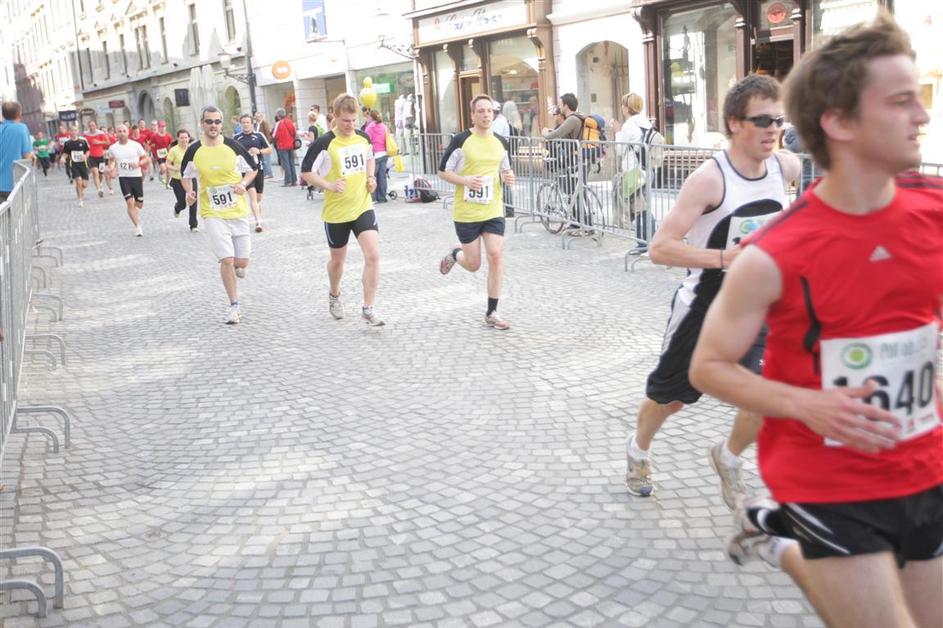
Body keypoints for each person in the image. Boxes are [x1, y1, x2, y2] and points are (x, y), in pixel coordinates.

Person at [689, 13, 941, 628]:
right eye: (901, 101)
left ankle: (776, 537)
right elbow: (709, 367)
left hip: (924, 465)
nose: (923, 116)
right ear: (839, 122)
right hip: (828, 478)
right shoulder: (775, 254)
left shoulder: (934, 210)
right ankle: (789, 536)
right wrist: (807, 405)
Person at [623, 74, 800, 503]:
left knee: (766, 391)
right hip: (704, 307)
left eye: (779, 120)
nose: (774, 130)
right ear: (735, 122)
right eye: (763, 121)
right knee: (671, 400)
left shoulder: (786, 167)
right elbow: (660, 248)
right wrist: (725, 258)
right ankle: (638, 450)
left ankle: (728, 457)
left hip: (756, 305)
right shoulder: (709, 179)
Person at [300, 93, 384, 327]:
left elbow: (370, 157)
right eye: (346, 120)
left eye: (354, 120)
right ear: (335, 117)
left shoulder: (363, 137)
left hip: (362, 206)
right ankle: (334, 293)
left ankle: (368, 308)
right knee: (338, 261)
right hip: (336, 212)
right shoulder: (324, 143)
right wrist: (328, 185)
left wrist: (370, 178)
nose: (351, 125)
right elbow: (306, 172)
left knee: (373, 255)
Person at [437, 94, 516, 330]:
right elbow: (442, 171)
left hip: (493, 209)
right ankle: (455, 254)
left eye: (489, 111)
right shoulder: (461, 140)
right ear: (472, 115)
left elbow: (506, 170)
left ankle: (492, 312)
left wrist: (508, 177)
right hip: (467, 213)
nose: (485, 115)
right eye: (480, 111)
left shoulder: (501, 142)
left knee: (496, 254)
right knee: (473, 264)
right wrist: (465, 181)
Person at [180, 105, 258, 325]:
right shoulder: (194, 150)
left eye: (216, 121)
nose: (213, 125)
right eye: (209, 122)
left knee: (241, 262)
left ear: (221, 124)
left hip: (237, 211)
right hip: (212, 212)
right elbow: (185, 175)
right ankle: (234, 305)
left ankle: (238, 266)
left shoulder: (233, 146)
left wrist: (243, 184)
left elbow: (252, 169)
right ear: (202, 124)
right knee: (227, 259)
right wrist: (189, 192)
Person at [611, 93, 657, 254]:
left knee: (639, 208)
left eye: (623, 105)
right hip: (647, 168)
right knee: (644, 206)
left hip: (634, 171)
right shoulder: (646, 123)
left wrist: (617, 132)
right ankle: (650, 241)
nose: (622, 107)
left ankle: (644, 243)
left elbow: (620, 150)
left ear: (627, 107)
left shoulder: (629, 125)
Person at [106, 124, 150, 237]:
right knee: (130, 202)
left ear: (128, 132)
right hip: (124, 178)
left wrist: (138, 164)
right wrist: (111, 169)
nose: (122, 133)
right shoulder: (113, 148)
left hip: (136, 176)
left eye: (124, 131)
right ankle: (138, 226)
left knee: (139, 204)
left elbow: (146, 158)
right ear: (116, 133)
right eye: (119, 131)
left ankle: (133, 209)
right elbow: (111, 160)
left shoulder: (135, 145)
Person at [234, 114, 271, 232]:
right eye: (243, 122)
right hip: (246, 172)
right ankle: (258, 223)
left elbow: (269, 150)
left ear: (251, 123)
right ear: (240, 124)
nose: (245, 125)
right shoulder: (236, 137)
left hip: (259, 169)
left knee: (258, 197)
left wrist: (259, 151)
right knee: (252, 195)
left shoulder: (259, 135)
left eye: (247, 122)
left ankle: (257, 212)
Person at [166, 128, 199, 232]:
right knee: (182, 204)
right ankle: (177, 208)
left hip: (191, 178)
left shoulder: (192, 149)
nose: (184, 140)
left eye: (186, 137)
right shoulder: (173, 150)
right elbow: (167, 164)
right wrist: (176, 169)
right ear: (178, 138)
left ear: (189, 138)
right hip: (177, 179)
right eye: (181, 138)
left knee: (193, 200)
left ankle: (193, 225)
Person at [0, 102, 34, 203]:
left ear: (3, 115)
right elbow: (27, 156)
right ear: (19, 114)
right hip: (13, 184)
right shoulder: (21, 128)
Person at [61, 125, 90, 207]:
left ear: (77, 131)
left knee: (84, 184)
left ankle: (80, 189)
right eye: (72, 130)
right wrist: (63, 158)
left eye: (75, 130)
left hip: (83, 164)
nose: (73, 132)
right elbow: (65, 153)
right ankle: (80, 199)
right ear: (69, 132)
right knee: (78, 180)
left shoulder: (83, 141)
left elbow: (88, 151)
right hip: (73, 164)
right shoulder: (67, 143)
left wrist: (85, 156)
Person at [363, 110, 389, 204]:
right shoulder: (384, 126)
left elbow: (366, 141)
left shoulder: (369, 128)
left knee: (372, 177)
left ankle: (373, 198)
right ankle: (382, 197)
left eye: (368, 117)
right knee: (382, 177)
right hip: (384, 154)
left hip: (374, 155)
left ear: (371, 117)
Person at [85, 120, 111, 197]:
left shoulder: (100, 133)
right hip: (91, 156)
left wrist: (99, 142)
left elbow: (108, 142)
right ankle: (99, 190)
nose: (91, 127)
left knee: (100, 174)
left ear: (96, 126)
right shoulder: (85, 134)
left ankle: (100, 183)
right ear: (88, 126)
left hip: (100, 156)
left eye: (93, 125)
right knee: (95, 172)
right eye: (90, 126)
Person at [273, 108, 297, 187]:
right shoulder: (289, 121)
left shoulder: (279, 123)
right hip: (290, 144)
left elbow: (275, 135)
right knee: (291, 163)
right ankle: (294, 180)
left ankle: (288, 181)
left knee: (285, 163)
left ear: (278, 115)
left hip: (282, 145)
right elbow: (294, 132)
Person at [149, 121, 174, 188]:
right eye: (161, 127)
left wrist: (171, 153)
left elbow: (171, 145)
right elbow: (151, 145)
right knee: (164, 168)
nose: (163, 128)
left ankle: (167, 184)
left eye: (164, 126)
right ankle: (160, 173)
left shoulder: (168, 136)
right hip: (159, 155)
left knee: (169, 170)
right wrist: (153, 153)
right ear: (159, 128)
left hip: (167, 154)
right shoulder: (154, 136)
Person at [253, 111, 275, 179]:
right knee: (262, 160)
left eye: (258, 116)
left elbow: (267, 134)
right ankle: (264, 173)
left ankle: (269, 173)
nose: (257, 118)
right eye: (256, 116)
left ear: (261, 116)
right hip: (258, 144)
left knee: (266, 159)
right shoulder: (255, 124)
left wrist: (267, 144)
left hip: (264, 144)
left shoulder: (264, 123)